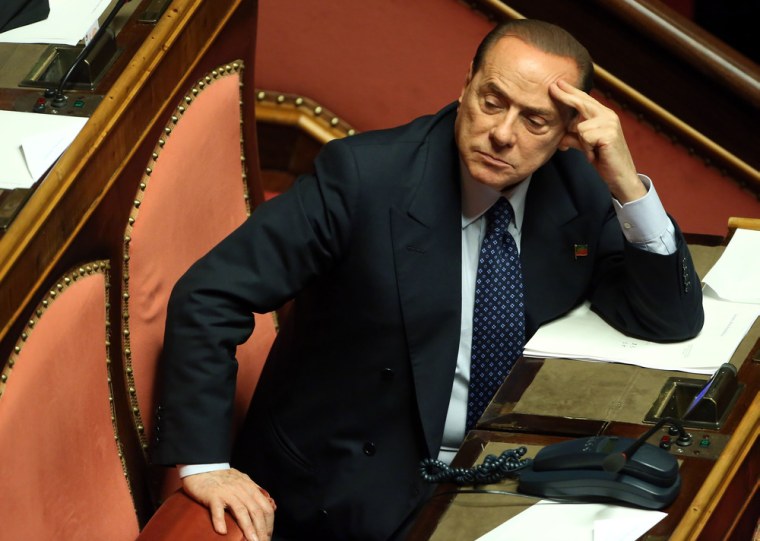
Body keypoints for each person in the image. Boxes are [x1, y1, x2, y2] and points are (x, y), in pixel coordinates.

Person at [152, 19, 704, 541]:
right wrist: (204, 465)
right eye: (492, 101)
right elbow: (210, 295)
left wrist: (627, 184)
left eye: (535, 120)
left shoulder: (576, 191)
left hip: (507, 473)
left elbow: (667, 318)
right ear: (465, 85)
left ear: (567, 134)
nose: (502, 134)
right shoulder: (363, 178)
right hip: (351, 488)